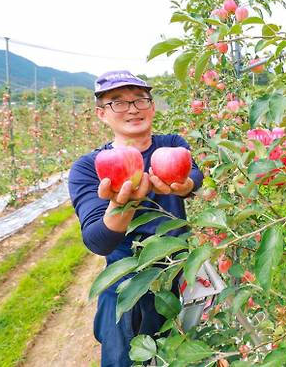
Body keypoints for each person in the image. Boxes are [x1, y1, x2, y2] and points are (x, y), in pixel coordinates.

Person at [68, 70, 203, 367]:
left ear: (152, 107)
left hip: (178, 269)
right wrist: (123, 205)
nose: (132, 108)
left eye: (140, 99)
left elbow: (194, 174)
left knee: (182, 350)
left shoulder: (171, 143)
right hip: (128, 278)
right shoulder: (89, 167)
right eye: (118, 102)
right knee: (125, 358)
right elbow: (98, 240)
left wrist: (186, 185)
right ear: (102, 114)